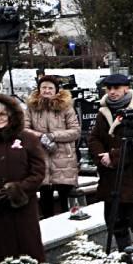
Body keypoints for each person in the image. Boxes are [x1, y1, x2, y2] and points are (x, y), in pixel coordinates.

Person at [85, 72, 133, 250]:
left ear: (127, 89)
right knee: (115, 223)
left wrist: (114, 157)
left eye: (116, 88)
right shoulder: (104, 113)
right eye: (109, 88)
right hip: (111, 178)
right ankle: (124, 259)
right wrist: (102, 156)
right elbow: (93, 138)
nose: (112, 92)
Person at [0, 94, 47, 262]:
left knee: (27, 252)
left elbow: (38, 171)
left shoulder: (28, 139)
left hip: (23, 210)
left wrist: (19, 191)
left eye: (1, 114)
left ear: (10, 114)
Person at [24, 75, 81, 219]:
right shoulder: (32, 108)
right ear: (39, 89)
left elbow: (75, 131)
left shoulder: (66, 107)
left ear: (56, 90)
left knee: (65, 199)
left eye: (50, 88)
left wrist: (53, 136)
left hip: (63, 159)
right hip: (41, 157)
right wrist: (40, 137)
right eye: (44, 87)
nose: (47, 91)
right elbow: (24, 129)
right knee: (45, 197)